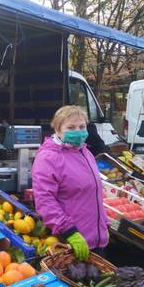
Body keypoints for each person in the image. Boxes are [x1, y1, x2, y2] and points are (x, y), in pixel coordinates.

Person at [32, 106, 109, 260]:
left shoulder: (85, 152)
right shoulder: (48, 158)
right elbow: (45, 201)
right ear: (58, 130)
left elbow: (93, 193)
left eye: (82, 127)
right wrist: (70, 232)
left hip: (96, 239)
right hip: (71, 242)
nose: (78, 131)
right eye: (71, 127)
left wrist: (104, 223)